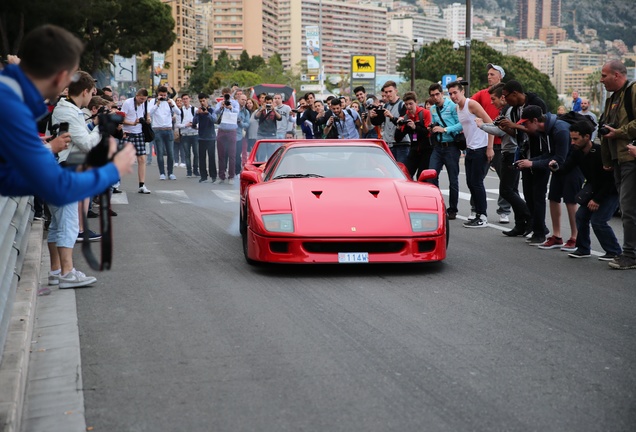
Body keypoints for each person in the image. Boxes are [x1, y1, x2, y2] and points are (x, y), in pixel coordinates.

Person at [0, 24, 135, 210]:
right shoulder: (11, 106)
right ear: (61, 76)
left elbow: (9, 179)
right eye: (71, 77)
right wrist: (113, 170)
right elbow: (57, 189)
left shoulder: (11, 95)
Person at [551, 121, 622, 260]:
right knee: (581, 216)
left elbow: (610, 180)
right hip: (594, 190)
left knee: (598, 221)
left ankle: (614, 251)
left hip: (611, 191)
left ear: (587, 137)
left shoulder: (601, 152)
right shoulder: (577, 153)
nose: (572, 142)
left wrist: (597, 200)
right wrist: (555, 167)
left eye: (576, 139)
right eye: (571, 138)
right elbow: (566, 168)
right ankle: (583, 249)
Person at [477, 83, 532, 236]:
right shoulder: (507, 110)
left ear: (503, 97)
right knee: (512, 190)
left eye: (494, 99)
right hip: (508, 151)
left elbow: (501, 131)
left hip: (512, 153)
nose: (492, 102)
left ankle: (530, 217)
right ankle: (520, 224)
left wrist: (482, 126)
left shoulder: (509, 110)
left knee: (506, 191)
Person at [498, 80, 549, 242]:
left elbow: (539, 130)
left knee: (537, 195)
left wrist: (514, 125)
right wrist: (507, 129)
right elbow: (519, 135)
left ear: (515, 94)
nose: (505, 100)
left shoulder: (536, 104)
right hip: (523, 154)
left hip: (539, 155)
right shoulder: (513, 110)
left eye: (506, 96)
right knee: (527, 193)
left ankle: (540, 231)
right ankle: (526, 225)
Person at [515, 106, 572, 246]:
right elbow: (549, 155)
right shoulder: (546, 130)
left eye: (526, 123)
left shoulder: (560, 130)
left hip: (573, 167)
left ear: (535, 120)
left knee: (571, 202)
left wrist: (532, 164)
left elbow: (560, 158)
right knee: (552, 198)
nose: (524, 126)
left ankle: (578, 240)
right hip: (559, 168)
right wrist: (529, 162)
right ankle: (554, 236)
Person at [599, 59, 636, 270]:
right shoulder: (611, 98)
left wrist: (619, 133)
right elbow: (606, 130)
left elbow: (620, 129)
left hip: (630, 157)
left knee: (629, 209)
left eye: (604, 75)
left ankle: (630, 255)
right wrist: (607, 160)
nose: (601, 80)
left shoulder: (632, 91)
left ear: (617, 75)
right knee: (627, 208)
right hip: (618, 159)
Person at [447, 81, 494, 228]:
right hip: (470, 149)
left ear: (462, 92)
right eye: (450, 94)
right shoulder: (458, 108)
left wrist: (490, 148)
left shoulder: (471, 104)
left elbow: (490, 123)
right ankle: (478, 214)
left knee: (477, 183)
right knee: (470, 183)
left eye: (455, 92)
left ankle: (483, 216)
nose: (453, 96)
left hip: (481, 148)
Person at [472, 63, 511, 223]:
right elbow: (467, 104)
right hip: (485, 141)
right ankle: (476, 208)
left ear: (500, 76)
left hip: (503, 143)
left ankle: (504, 210)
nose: (489, 76)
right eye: (488, 74)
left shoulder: (507, 97)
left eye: (492, 74)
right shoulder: (482, 94)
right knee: (477, 177)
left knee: (505, 179)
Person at [427, 83, 462, 220]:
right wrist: (433, 128)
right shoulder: (433, 109)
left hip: (451, 146)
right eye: (432, 95)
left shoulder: (452, 106)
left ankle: (453, 209)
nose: (435, 97)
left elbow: (460, 124)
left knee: (453, 179)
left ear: (442, 94)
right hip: (438, 146)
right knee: (431, 175)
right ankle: (436, 206)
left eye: (437, 94)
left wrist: (445, 129)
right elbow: (435, 124)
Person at [394, 91, 432, 178]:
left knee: (422, 176)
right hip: (414, 148)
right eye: (406, 104)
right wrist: (398, 127)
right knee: (405, 173)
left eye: (411, 104)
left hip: (426, 149)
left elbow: (428, 132)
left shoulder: (425, 113)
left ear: (416, 103)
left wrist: (415, 127)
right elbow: (398, 138)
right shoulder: (406, 117)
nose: (408, 107)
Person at [369, 81, 410, 162]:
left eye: (390, 91)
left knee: (401, 171)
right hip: (388, 144)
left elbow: (403, 124)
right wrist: (372, 117)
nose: (388, 94)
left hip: (401, 145)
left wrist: (391, 117)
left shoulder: (402, 105)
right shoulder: (385, 106)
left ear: (396, 91)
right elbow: (377, 122)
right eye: (386, 92)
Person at [121, 88, 152, 193]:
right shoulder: (127, 103)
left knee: (142, 159)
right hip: (128, 132)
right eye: (141, 99)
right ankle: (115, 184)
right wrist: (132, 123)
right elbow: (121, 119)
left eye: (144, 99)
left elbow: (147, 114)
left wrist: (148, 119)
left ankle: (142, 185)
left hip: (139, 133)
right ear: (136, 96)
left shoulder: (145, 103)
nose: (142, 101)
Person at [148, 85, 180, 180]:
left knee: (170, 153)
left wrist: (172, 105)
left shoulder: (170, 101)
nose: (163, 97)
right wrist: (157, 103)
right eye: (161, 95)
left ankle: (170, 173)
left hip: (168, 129)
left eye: (164, 95)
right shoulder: (153, 102)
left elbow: (178, 112)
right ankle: (162, 173)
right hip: (157, 130)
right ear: (158, 94)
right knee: (160, 152)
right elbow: (149, 112)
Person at [213, 87, 240, 184]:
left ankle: (231, 176)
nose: (227, 96)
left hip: (232, 130)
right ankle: (221, 176)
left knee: (232, 155)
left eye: (228, 94)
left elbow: (238, 112)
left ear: (231, 94)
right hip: (222, 130)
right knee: (221, 155)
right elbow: (215, 112)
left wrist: (230, 107)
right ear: (223, 95)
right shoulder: (220, 103)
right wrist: (222, 107)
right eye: (225, 94)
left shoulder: (235, 103)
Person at [193, 93, 217, 183]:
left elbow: (214, 120)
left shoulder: (211, 110)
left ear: (207, 100)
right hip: (201, 137)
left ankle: (213, 176)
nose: (202, 103)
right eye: (200, 101)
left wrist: (207, 114)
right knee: (201, 158)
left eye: (203, 100)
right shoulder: (198, 111)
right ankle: (203, 176)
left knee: (211, 158)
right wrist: (197, 114)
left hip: (210, 137)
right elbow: (194, 122)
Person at [175, 93, 199, 178]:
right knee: (187, 154)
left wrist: (194, 125)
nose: (185, 100)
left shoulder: (195, 109)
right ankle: (189, 171)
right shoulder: (179, 111)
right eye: (183, 99)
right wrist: (186, 125)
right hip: (185, 135)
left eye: (186, 98)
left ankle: (195, 170)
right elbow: (177, 124)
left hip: (194, 134)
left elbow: (199, 122)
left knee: (196, 153)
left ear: (189, 99)